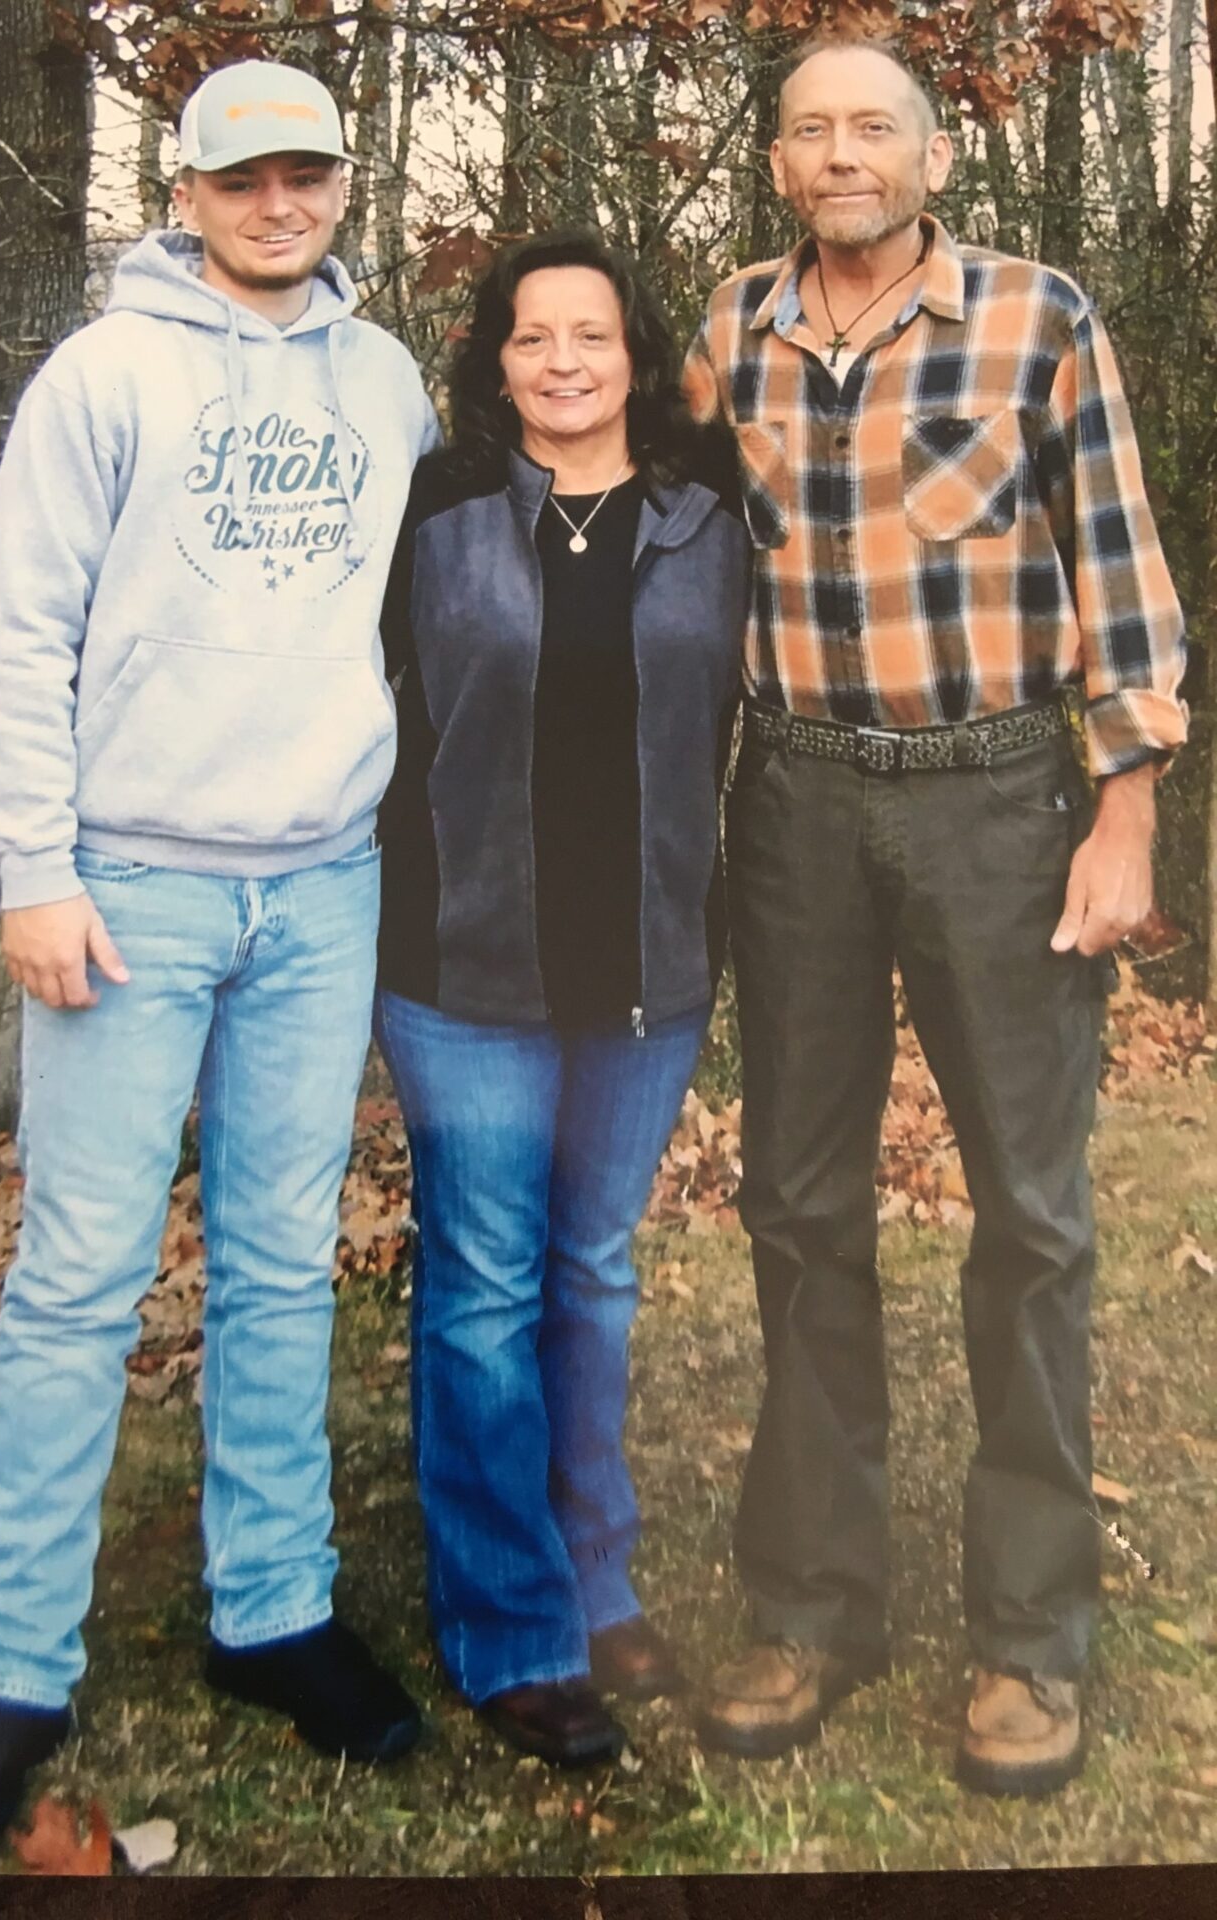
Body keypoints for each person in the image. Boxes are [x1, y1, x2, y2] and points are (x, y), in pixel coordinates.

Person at [0, 59, 439, 1851]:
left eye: (307, 174)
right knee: (79, 1277)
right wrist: (35, 869)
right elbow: (18, 628)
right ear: (188, 192)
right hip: (129, 885)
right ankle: (9, 1666)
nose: (279, 203)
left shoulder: (387, 380)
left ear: (344, 185)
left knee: (284, 1262)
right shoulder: (105, 372)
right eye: (243, 178)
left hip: (321, 884)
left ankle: (271, 1613)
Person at [682, 35, 1187, 1797]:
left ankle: (1029, 1635)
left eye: (874, 127)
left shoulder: (1038, 318)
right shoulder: (728, 326)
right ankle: (817, 1602)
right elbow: (676, 552)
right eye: (812, 129)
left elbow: (1119, 571)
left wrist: (1123, 814)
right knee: (801, 1205)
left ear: (932, 154)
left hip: (996, 801)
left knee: (1030, 1220)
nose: (844, 154)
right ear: (776, 163)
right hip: (797, 804)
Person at [375, 232, 750, 1766]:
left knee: (590, 1273)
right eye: (534, 337)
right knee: (482, 1287)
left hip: (647, 966)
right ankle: (511, 1626)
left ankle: (598, 1577)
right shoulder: (434, 511)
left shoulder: (713, 513)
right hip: (464, 962)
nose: (564, 361)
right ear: (496, 359)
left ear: (637, 354)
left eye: (591, 332)